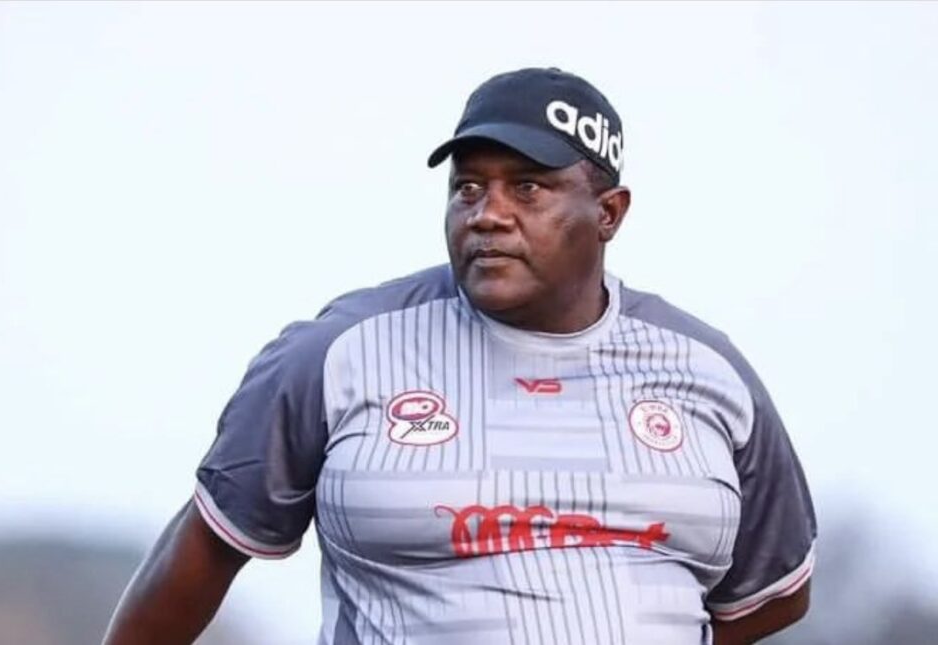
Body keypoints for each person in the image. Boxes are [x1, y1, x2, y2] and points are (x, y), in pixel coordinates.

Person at [104, 67, 815, 645]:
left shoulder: (708, 374)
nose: (488, 213)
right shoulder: (335, 354)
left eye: (527, 187)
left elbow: (776, 593)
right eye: (468, 187)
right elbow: (204, 550)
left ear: (609, 212)